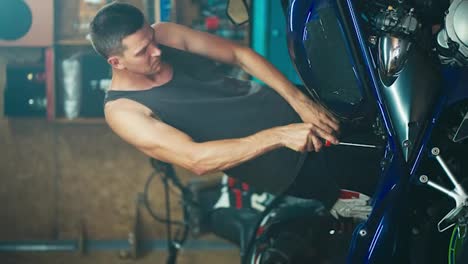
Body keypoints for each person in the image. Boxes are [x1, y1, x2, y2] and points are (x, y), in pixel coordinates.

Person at [89, 2, 375, 219]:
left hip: (303, 107)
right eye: (143, 51)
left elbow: (240, 55)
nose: (156, 50)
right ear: (117, 62)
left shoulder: (165, 34)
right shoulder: (123, 111)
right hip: (290, 167)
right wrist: (278, 137)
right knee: (386, 186)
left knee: (403, 133)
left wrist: (300, 101)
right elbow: (196, 159)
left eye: (151, 38)